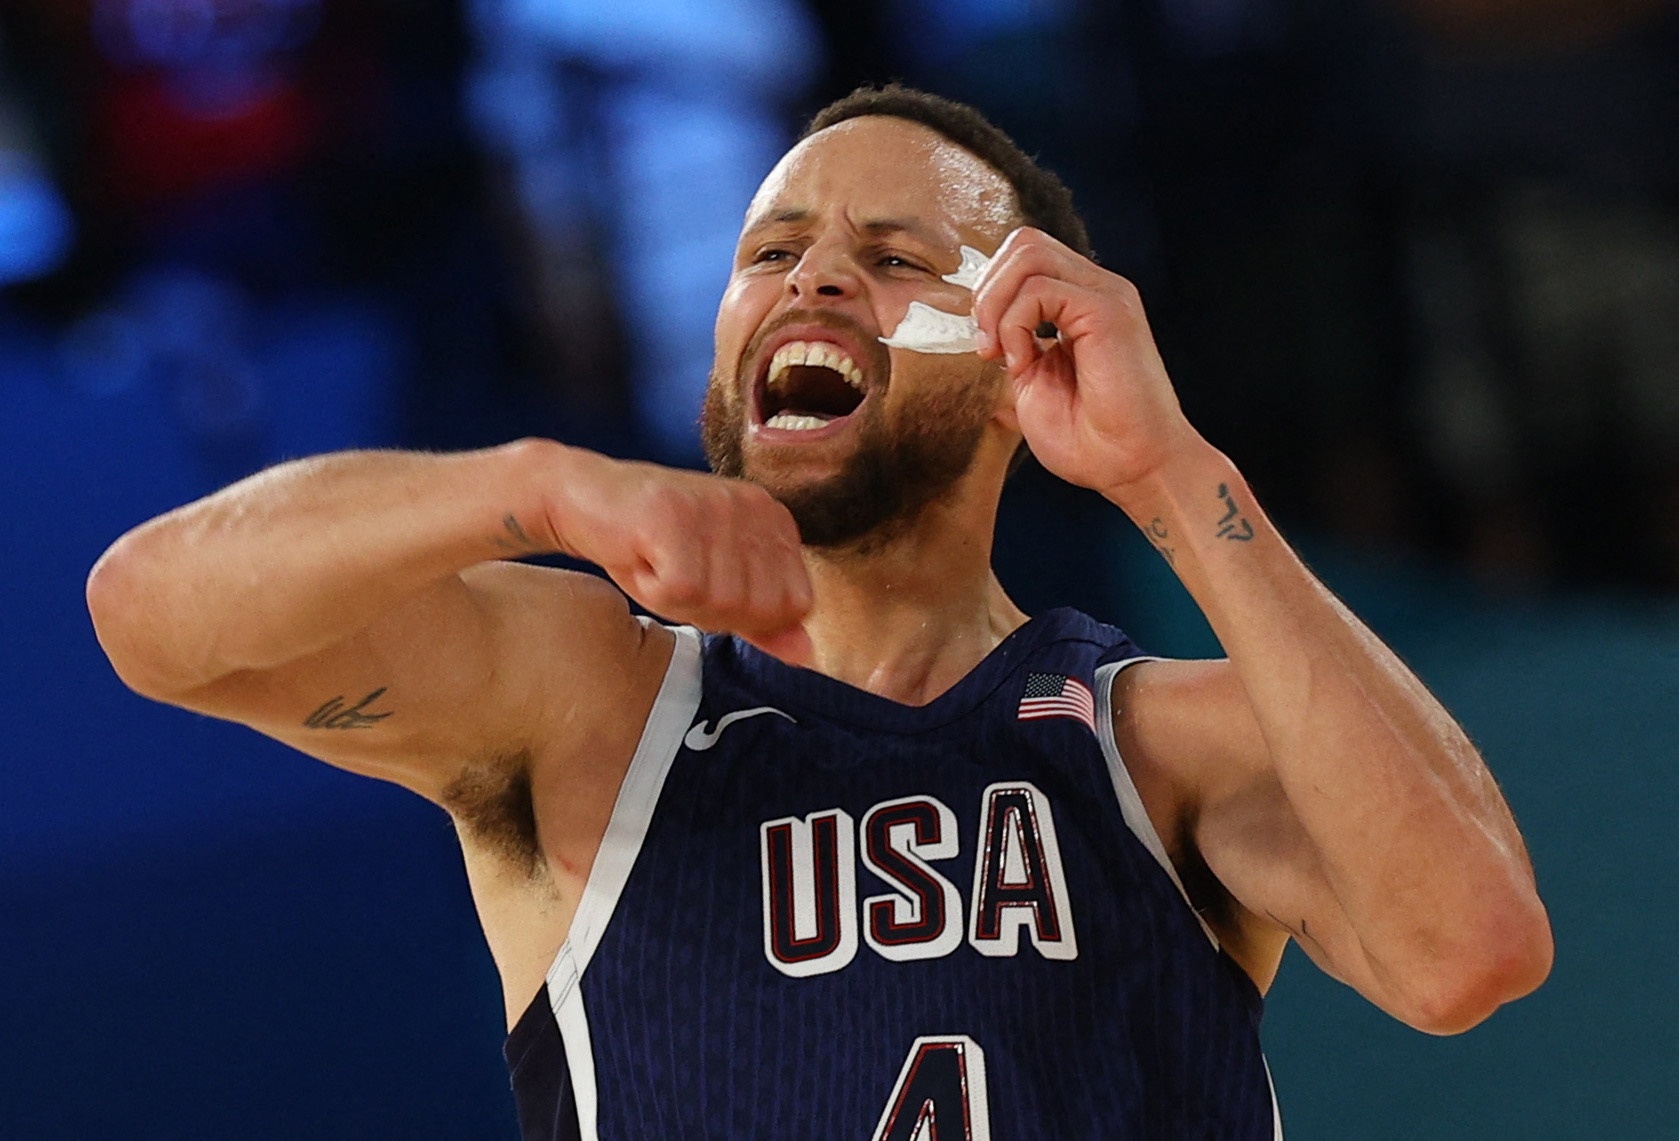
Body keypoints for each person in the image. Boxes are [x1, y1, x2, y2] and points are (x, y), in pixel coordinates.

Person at [86, 86, 1552, 1139]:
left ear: (1020, 361)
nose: (817, 276)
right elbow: (150, 609)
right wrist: (530, 487)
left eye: (896, 258)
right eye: (771, 253)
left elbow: (1469, 949)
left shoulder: (1162, 741)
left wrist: (1171, 472)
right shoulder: (593, 701)